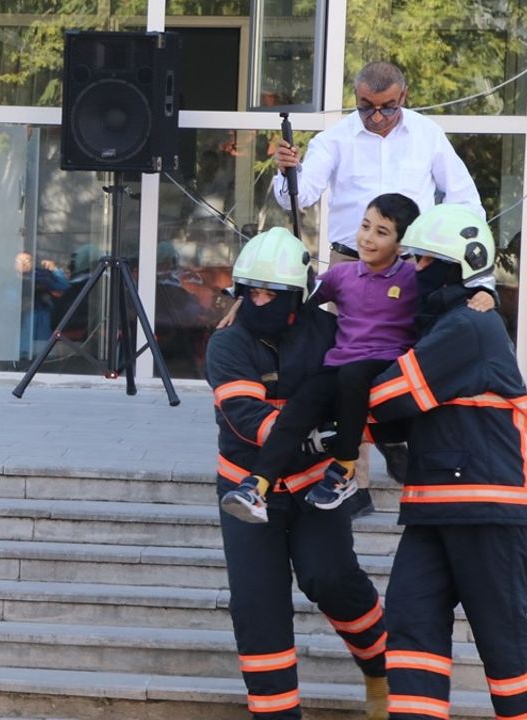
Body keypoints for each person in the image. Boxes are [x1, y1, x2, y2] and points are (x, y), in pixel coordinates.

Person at [366, 204, 527, 720]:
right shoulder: (446, 325)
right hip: (436, 502)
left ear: (456, 267)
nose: (413, 273)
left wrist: (346, 389)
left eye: (423, 262)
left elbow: (392, 394)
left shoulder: (467, 326)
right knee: (411, 619)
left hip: (489, 503)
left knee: (501, 637)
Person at [220, 195, 496, 521]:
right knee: (303, 403)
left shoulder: (412, 278)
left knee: (353, 376)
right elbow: (295, 295)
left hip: (385, 364)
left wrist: (487, 293)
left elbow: (455, 291)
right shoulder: (342, 275)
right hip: (340, 364)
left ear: (401, 243)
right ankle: (257, 485)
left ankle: (346, 469)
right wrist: (244, 301)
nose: (367, 237)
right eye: (365, 226)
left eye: (381, 232)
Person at [206, 228, 389, 720]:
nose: (258, 301)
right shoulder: (228, 343)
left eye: (270, 293)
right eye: (251, 292)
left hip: (315, 486)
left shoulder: (329, 333)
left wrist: (347, 435)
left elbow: (357, 394)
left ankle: (381, 672)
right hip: (246, 489)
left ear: (295, 295)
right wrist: (311, 436)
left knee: (331, 578)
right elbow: (245, 416)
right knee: (257, 606)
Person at [271, 61, 485, 262]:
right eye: (366, 107)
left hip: (411, 263)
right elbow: (299, 197)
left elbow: (463, 199)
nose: (376, 117)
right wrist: (287, 171)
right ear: (356, 96)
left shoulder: (427, 134)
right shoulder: (333, 139)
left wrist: (459, 255)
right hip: (351, 263)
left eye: (388, 108)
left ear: (403, 96)